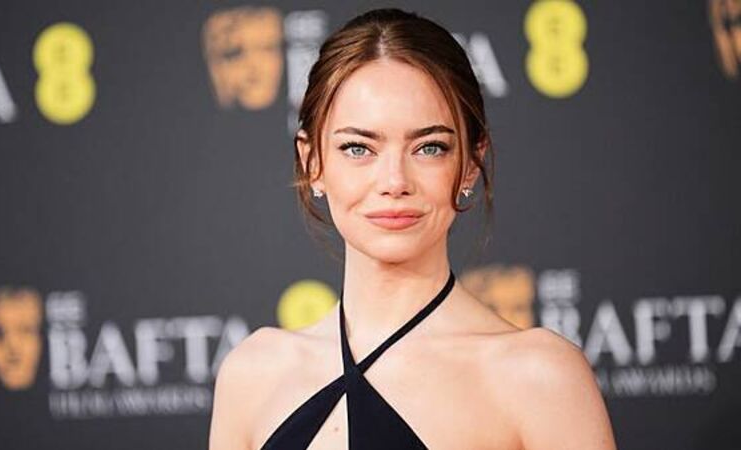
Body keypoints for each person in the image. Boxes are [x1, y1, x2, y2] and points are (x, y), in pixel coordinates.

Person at [209, 7, 617, 450]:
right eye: (358, 148)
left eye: (429, 148)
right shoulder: (252, 374)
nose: (394, 182)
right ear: (313, 164)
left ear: (470, 164)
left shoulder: (539, 377)